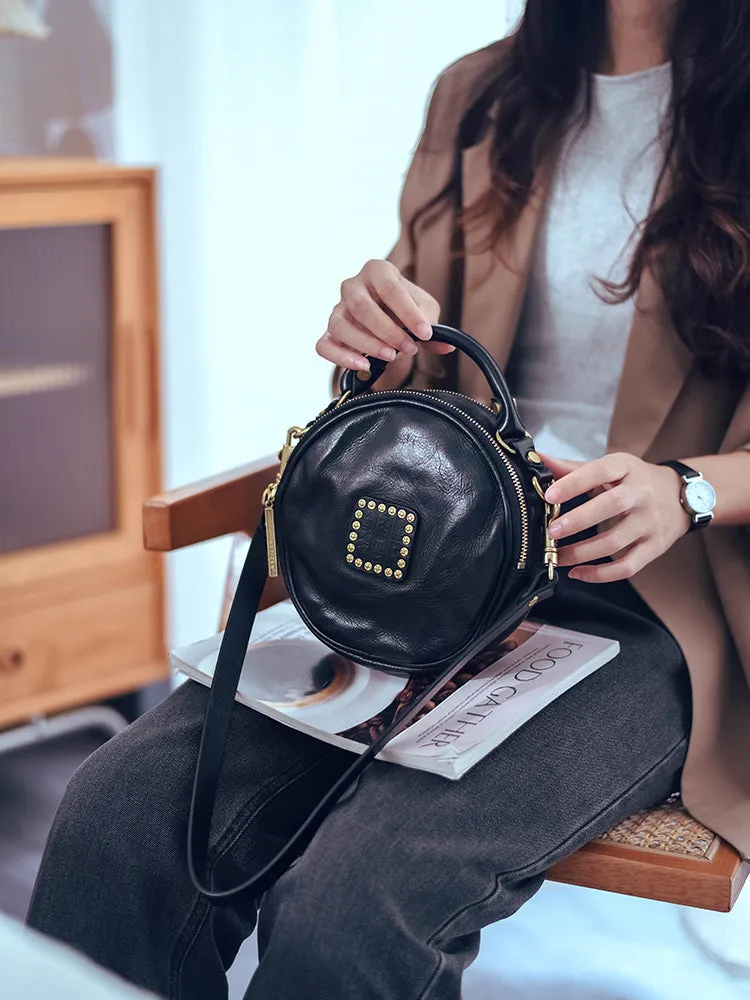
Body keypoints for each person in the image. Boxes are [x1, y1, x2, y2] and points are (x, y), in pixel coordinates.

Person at [27, 1, 750, 998]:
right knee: (118, 814)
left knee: (362, 891)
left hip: (652, 601)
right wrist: (377, 337)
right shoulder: (480, 93)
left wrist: (692, 489)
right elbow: (415, 389)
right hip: (435, 567)